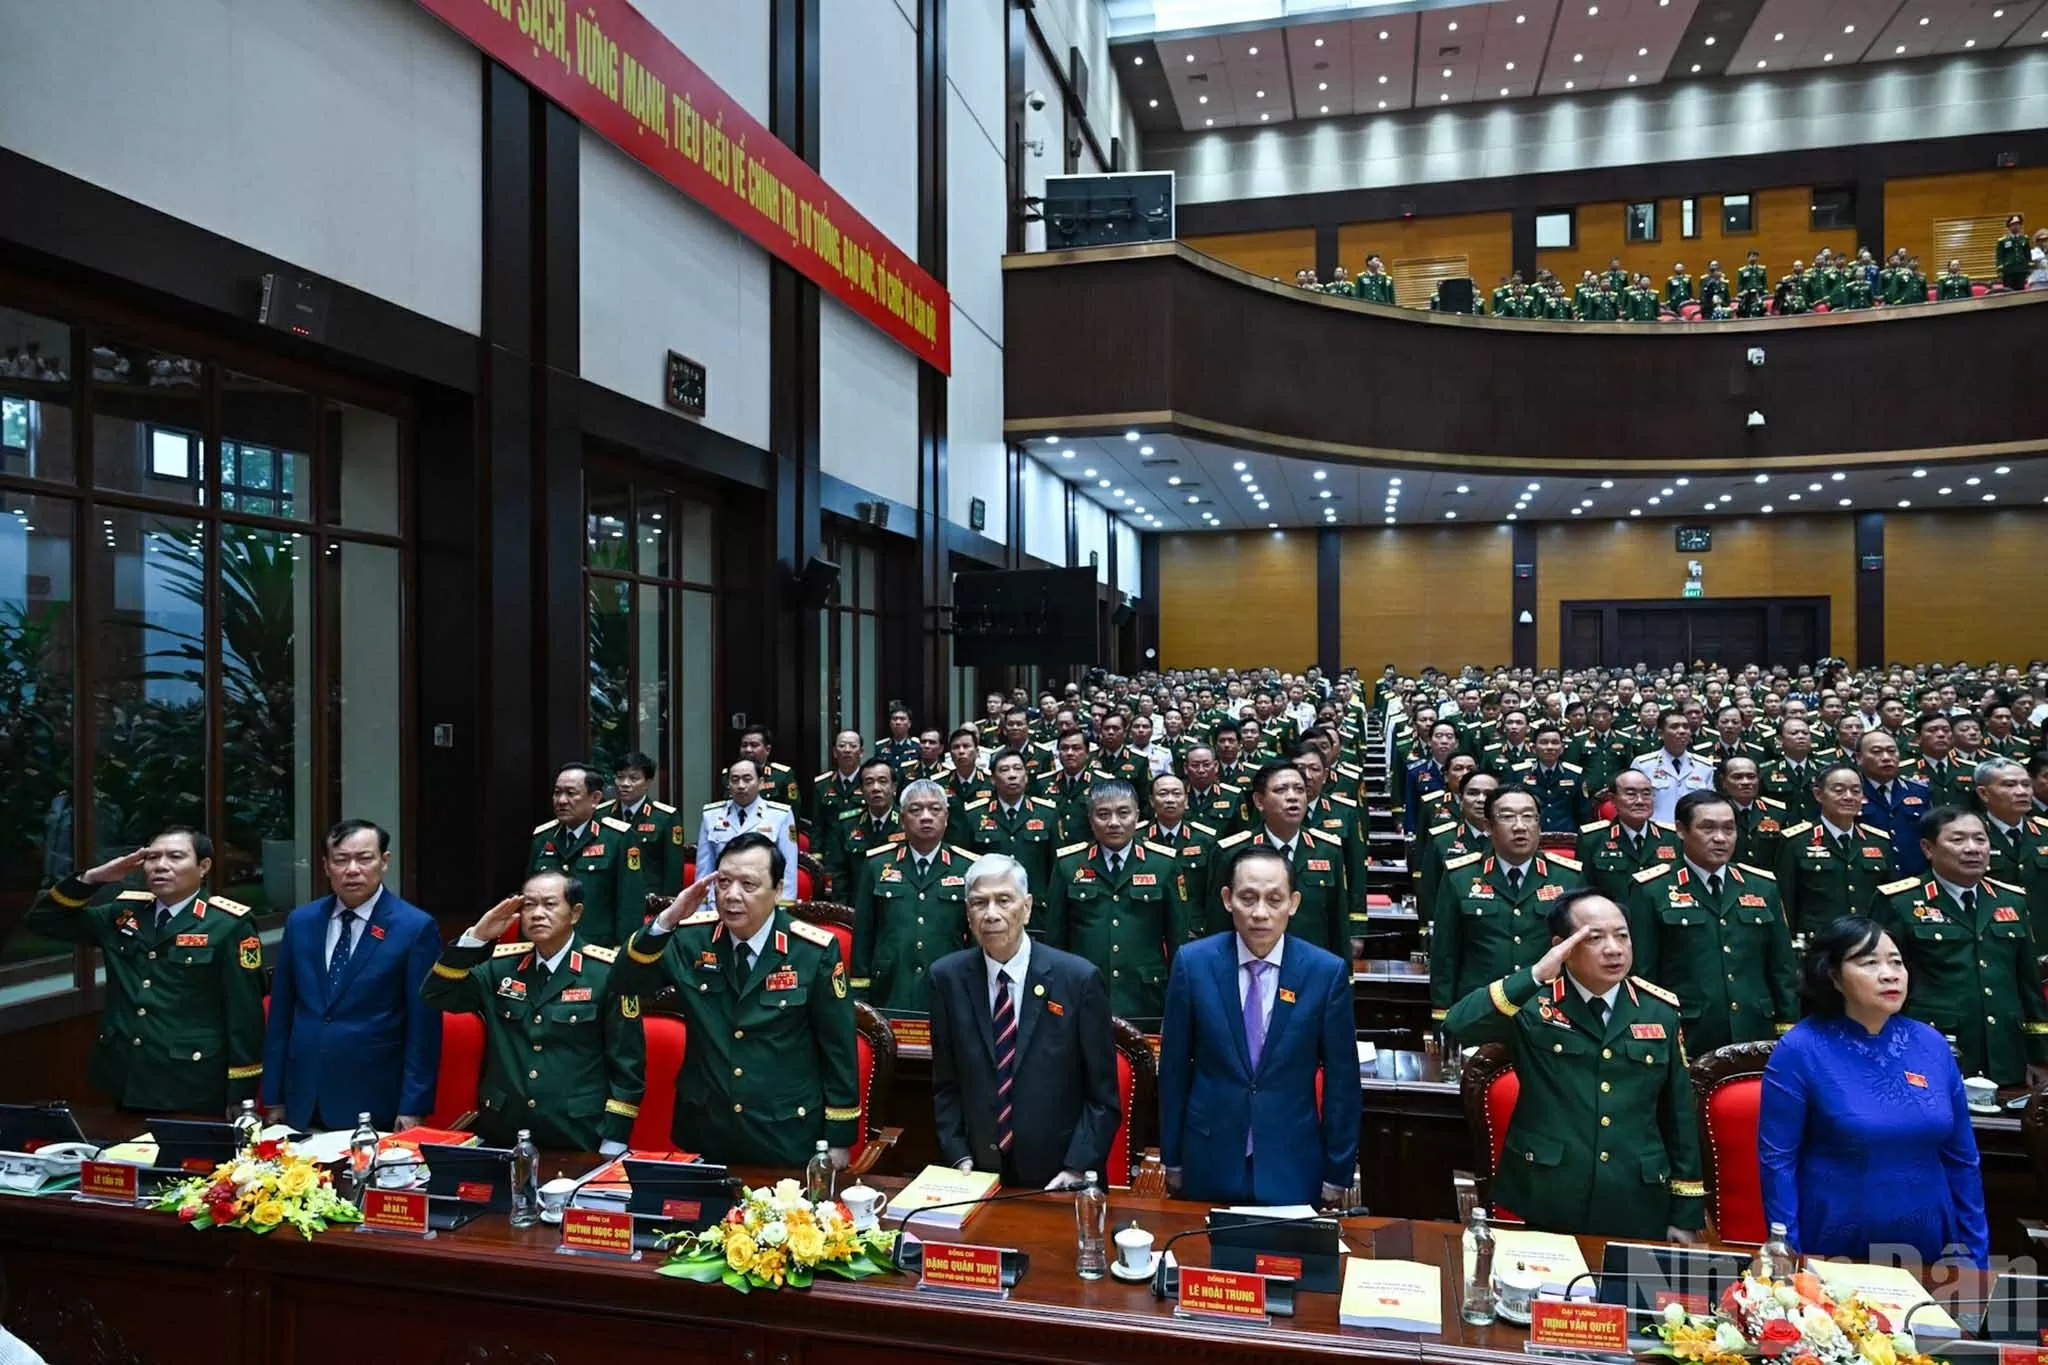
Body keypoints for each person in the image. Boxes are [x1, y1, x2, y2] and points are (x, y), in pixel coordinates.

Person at [1442, 888, 1703, 1241]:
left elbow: (1679, 1115)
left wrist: (1685, 1212)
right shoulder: (1533, 1005)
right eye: (1595, 938)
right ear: (1561, 945)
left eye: (1622, 935)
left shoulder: (1660, 1011)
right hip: (1550, 1195)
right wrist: (1535, 974)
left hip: (1637, 1198)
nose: (1614, 948)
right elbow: (1458, 1025)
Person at [615, 833, 859, 1166]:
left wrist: (838, 1139)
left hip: (785, 1133)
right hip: (705, 1131)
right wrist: (668, 919)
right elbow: (625, 983)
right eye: (723, 882)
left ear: (777, 890)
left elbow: (839, 1047)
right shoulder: (689, 939)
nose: (731, 896)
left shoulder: (812, 951)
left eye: (748, 885)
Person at [1759, 917, 1989, 1267]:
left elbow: (1963, 1161)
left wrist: (1976, 1256)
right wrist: (1787, 1256)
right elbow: (1778, 1163)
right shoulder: (1800, 1050)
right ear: (1833, 975)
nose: (1889, 973)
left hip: (1933, 1249)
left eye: (1896, 962)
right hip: (1837, 1248)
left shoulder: (1931, 1045)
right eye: (1869, 962)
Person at [1159, 845, 1361, 1207]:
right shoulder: (1193, 964)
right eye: (1248, 898)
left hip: (1292, 1161)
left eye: (1274, 899)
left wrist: (1338, 1170)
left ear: (1294, 903)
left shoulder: (1325, 972)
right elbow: (1173, 1069)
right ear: (1227, 899)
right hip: (1208, 1156)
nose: (1260, 913)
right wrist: (1171, 1156)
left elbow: (1342, 1081)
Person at [19, 827, 265, 1114]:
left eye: (175, 857)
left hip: (191, 1081)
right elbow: (42, 920)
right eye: (152, 857)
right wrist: (92, 878)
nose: (161, 865)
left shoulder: (228, 924)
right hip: (124, 1076)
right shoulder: (124, 913)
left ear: (203, 866)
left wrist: (241, 1095)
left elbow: (244, 1016)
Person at [928, 854, 1119, 1191]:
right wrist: (958, 1154)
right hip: (977, 1174)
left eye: (1004, 900)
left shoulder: (1077, 979)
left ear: (1027, 907)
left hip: (1061, 1175)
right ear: (967, 913)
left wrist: (1077, 1167)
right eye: (979, 903)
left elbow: (1102, 1097)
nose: (991, 914)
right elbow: (946, 1083)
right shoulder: (947, 978)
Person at [422, 871, 646, 1153]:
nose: (537, 913)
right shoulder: (500, 967)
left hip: (578, 1132)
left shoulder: (608, 974)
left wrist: (614, 1141)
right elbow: (436, 994)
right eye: (529, 905)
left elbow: (628, 1067)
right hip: (504, 1130)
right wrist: (478, 937)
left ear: (575, 913)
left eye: (549, 904)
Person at [262, 819, 442, 1131]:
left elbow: (423, 1028)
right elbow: (281, 1015)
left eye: (364, 858)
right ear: (326, 866)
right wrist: (274, 1095)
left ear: (384, 862)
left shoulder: (414, 927)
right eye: (341, 860)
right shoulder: (301, 922)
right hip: (303, 1095)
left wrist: (414, 1106)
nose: (352, 869)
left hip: (373, 1097)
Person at [1870, 808, 2048, 1088]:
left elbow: (2029, 984)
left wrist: (2039, 1054)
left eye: (1980, 840)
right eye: (1958, 840)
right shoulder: (1899, 902)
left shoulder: (2011, 901)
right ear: (1928, 848)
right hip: (1931, 1046)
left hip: (2004, 1051)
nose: (1972, 849)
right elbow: (1875, 983)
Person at [1627, 791, 1797, 1053]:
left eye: (1729, 829)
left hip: (1755, 1028)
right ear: (1681, 830)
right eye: (1708, 828)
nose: (1720, 838)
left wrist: (1786, 1026)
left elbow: (1781, 966)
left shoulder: (1762, 886)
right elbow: (1644, 972)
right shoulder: (1653, 889)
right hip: (1688, 1031)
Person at [1432, 786, 1584, 1025]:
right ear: (1488, 827)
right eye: (1507, 817)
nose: (1520, 826)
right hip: (1481, 1010)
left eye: (1528, 816)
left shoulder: (1568, 877)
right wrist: (1443, 1017)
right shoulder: (1459, 877)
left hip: (1546, 1013)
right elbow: (1445, 955)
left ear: (1539, 825)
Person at [1042, 780, 1187, 1020]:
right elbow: (1055, 940)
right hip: (1084, 991)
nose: (1113, 823)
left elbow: (1177, 939)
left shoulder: (1163, 864)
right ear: (1090, 819)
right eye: (1103, 814)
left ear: (1137, 816)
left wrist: (1180, 995)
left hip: (1146, 995)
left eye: (1123, 813)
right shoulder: (1068, 865)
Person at [850, 779, 971, 1012]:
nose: (926, 816)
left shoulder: (966, 868)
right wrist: (860, 993)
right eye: (916, 810)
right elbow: (864, 934)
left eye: (935, 809)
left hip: (950, 985)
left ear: (946, 817)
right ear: (903, 818)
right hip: (891, 984)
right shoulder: (877, 865)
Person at [1213, 761, 1350, 958]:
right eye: (1281, 790)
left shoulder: (1328, 851)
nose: (1292, 797)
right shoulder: (1232, 853)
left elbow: (1339, 924)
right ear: (1259, 801)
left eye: (1299, 789)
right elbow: (1219, 927)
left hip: (1311, 968)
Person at [529, 761, 644, 947]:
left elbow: (630, 902)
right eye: (557, 792)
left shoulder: (618, 838)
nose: (562, 800)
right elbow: (530, 899)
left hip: (596, 948)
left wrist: (623, 952)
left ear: (595, 798)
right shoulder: (543, 838)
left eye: (571, 793)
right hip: (548, 947)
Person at [954, 748, 1062, 893]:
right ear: (992, 779)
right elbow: (965, 865)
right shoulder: (974, 815)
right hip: (992, 903)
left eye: (1017, 769)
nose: (1012, 775)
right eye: (1004, 770)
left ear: (1026, 776)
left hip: (1036, 905)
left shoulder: (1047, 813)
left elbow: (1056, 868)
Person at [695, 758, 800, 903]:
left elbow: (788, 867)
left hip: (763, 902)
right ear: (728, 784)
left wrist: (784, 905)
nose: (740, 785)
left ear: (761, 782)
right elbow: (704, 868)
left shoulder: (780, 815)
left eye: (747, 779)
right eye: (735, 780)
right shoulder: (711, 815)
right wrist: (703, 906)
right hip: (723, 900)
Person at [1575, 769, 1681, 903]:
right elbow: (1583, 893)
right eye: (1631, 794)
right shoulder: (1592, 839)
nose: (1640, 801)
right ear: (1613, 799)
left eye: (1647, 794)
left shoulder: (1672, 837)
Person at [607, 750, 686, 896]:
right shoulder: (602, 814)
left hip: (649, 899)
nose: (625, 784)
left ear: (647, 782)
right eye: (620, 777)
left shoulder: (665, 817)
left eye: (633, 778)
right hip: (610, 897)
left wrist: (666, 904)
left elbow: (673, 869)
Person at [824, 759, 904, 894]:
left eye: (883, 781)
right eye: (869, 782)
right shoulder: (847, 824)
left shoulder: (907, 823)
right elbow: (837, 872)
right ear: (861, 789)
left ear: (894, 787)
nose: (876, 788)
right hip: (856, 905)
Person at [1856, 731, 1932, 876]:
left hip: (1915, 877)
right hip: (1868, 876)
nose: (1886, 757)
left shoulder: (1919, 791)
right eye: (1877, 752)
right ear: (1859, 757)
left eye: (1891, 751)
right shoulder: (1851, 793)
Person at [1631, 710, 1716, 823]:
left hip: (1693, 832)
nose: (1681, 731)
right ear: (1661, 733)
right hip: (1657, 833)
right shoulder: (1643, 764)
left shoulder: (1704, 766)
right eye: (1675, 727)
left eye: (1686, 727)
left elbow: (1709, 805)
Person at [1996, 214, 2031, 292]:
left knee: (2021, 292)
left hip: (2021, 270)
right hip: (2008, 270)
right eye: (2013, 224)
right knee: (2008, 292)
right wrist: (2000, 270)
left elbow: (2028, 255)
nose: (2016, 226)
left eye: (2018, 224)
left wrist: (2028, 267)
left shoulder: (2024, 239)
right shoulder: (2002, 241)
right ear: (2009, 226)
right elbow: (1999, 257)